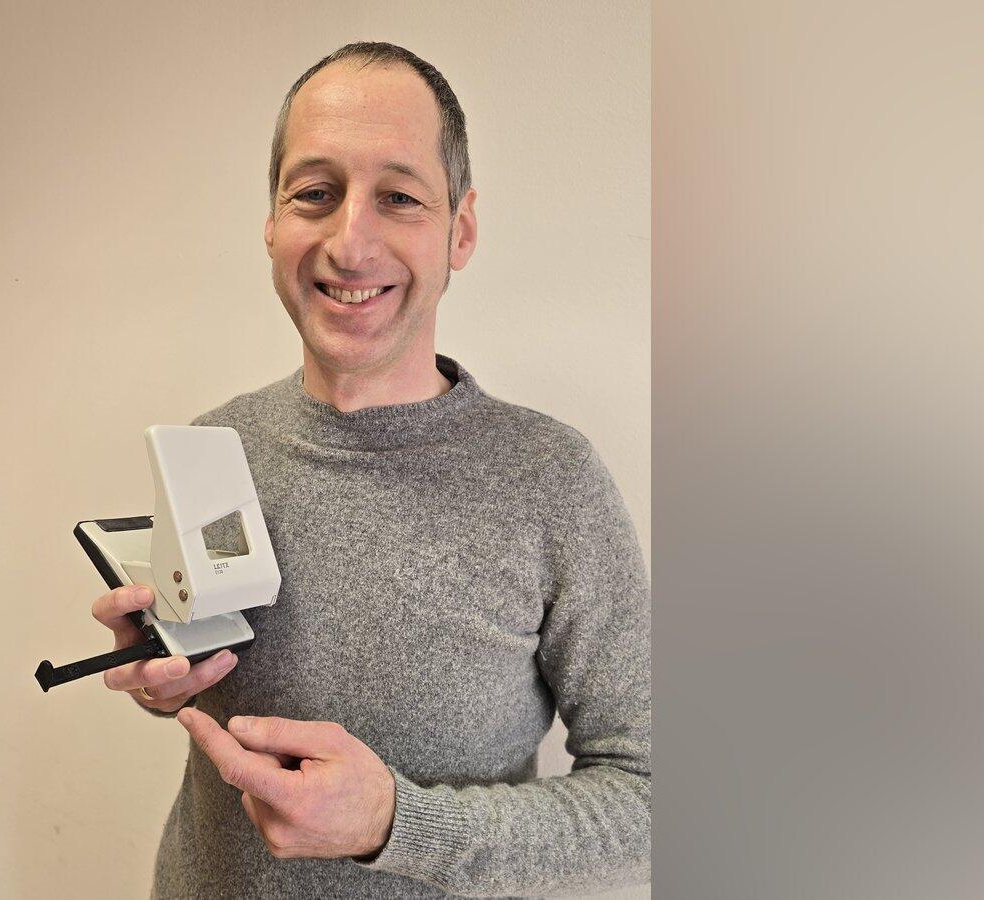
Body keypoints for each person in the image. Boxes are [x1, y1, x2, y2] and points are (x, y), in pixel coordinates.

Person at [87, 42, 650, 898]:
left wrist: (395, 824)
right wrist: (163, 680)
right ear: (272, 224)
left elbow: (649, 795)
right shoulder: (214, 446)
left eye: (400, 197)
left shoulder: (551, 479)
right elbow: (203, 690)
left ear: (460, 230)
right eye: (315, 193)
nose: (351, 244)